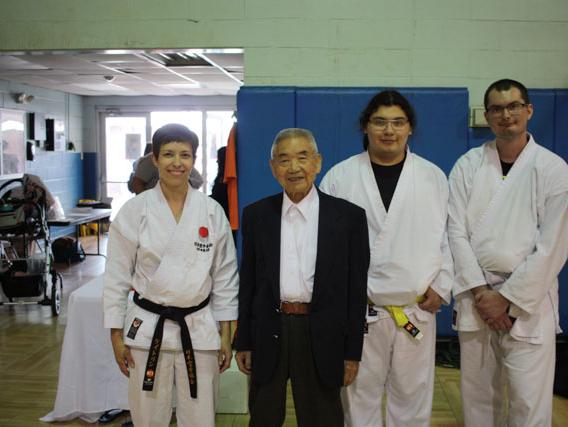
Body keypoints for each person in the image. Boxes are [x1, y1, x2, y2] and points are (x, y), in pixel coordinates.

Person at [448, 79, 568, 426]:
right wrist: (482, 293)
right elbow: (454, 232)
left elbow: (553, 246)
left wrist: (506, 299)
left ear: (528, 110)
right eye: (497, 109)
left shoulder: (553, 170)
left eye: (514, 106)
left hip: (527, 302)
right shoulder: (468, 165)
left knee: (529, 402)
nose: (506, 115)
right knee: (477, 399)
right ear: (487, 116)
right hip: (477, 300)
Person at [319, 90, 454, 427]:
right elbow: (324, 245)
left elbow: (449, 237)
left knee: (412, 397)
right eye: (379, 122)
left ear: (410, 128)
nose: (389, 131)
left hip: (416, 306)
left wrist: (442, 285)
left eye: (398, 122)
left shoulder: (432, 176)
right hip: (360, 309)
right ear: (366, 127)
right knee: (358, 396)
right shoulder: (340, 176)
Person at [103, 123, 239, 427]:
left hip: (199, 327)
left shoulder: (211, 211)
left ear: (194, 159)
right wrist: (115, 335)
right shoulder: (135, 210)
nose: (177, 163)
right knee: (148, 417)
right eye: (168, 154)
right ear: (155, 159)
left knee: (201, 417)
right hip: (147, 327)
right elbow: (115, 277)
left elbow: (226, 278)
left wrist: (227, 337)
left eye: (185, 155)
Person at [235, 128, 370, 427]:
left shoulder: (349, 218)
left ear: (318, 163)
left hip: (322, 331)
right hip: (269, 328)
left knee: (322, 417)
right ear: (273, 168)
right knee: (264, 416)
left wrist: (352, 351)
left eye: (302, 157)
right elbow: (249, 283)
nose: (294, 168)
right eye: (284, 160)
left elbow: (356, 290)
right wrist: (243, 340)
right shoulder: (257, 215)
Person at [129, 143, 204, 194]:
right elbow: (136, 184)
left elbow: (198, 181)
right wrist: (148, 203)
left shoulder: (182, 161)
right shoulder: (148, 161)